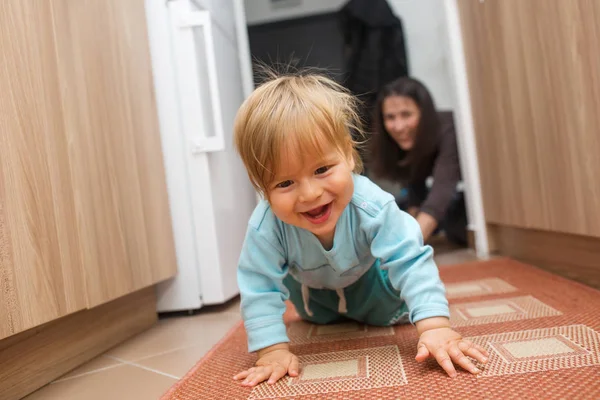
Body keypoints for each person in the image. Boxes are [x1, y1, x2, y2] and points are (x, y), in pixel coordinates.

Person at [231, 72, 488, 387]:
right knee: (312, 312)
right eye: (285, 183)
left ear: (349, 157)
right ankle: (331, 313)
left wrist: (435, 327)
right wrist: (271, 350)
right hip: (315, 303)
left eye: (322, 169)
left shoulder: (373, 205)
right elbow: (259, 285)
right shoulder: (266, 225)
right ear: (262, 188)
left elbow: (409, 258)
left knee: (402, 302)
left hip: (375, 292)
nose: (310, 194)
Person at [369, 77, 467, 245]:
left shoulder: (448, 129)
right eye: (390, 117)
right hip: (438, 199)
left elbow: (441, 193)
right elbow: (415, 191)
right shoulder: (401, 145)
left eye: (406, 115)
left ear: (424, 113)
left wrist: (404, 250)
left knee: (456, 222)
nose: (398, 126)